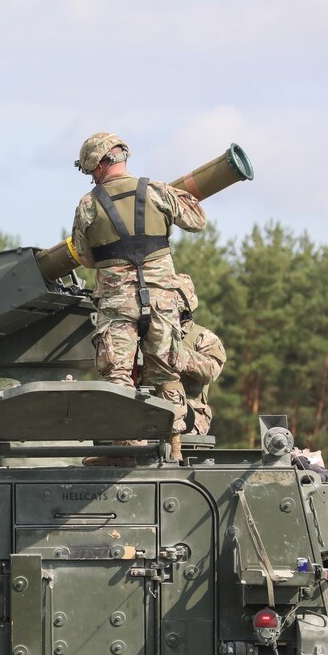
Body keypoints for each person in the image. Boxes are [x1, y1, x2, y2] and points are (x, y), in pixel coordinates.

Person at [69, 132, 206, 460]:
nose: (92, 177)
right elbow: (197, 221)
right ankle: (173, 452)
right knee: (167, 374)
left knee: (118, 377)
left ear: (99, 165)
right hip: (161, 303)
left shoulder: (89, 204)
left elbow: (85, 257)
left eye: (91, 171)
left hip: (117, 306)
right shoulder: (157, 190)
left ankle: (127, 452)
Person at [171, 274, 226, 436]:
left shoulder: (202, 337)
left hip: (190, 412)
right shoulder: (146, 335)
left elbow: (211, 370)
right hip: (150, 410)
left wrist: (175, 352)